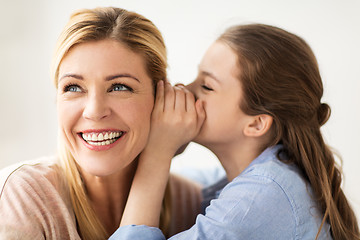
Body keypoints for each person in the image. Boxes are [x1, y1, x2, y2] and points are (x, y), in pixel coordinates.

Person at [110, 24, 360, 239]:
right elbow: (192, 181)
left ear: (256, 124)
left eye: (207, 86)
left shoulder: (261, 197)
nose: (184, 88)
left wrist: (157, 154)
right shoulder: (265, 175)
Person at [0, 7, 203, 240]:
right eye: (73, 87)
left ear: (161, 98)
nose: (94, 111)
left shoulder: (191, 202)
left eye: (119, 87)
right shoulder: (21, 196)